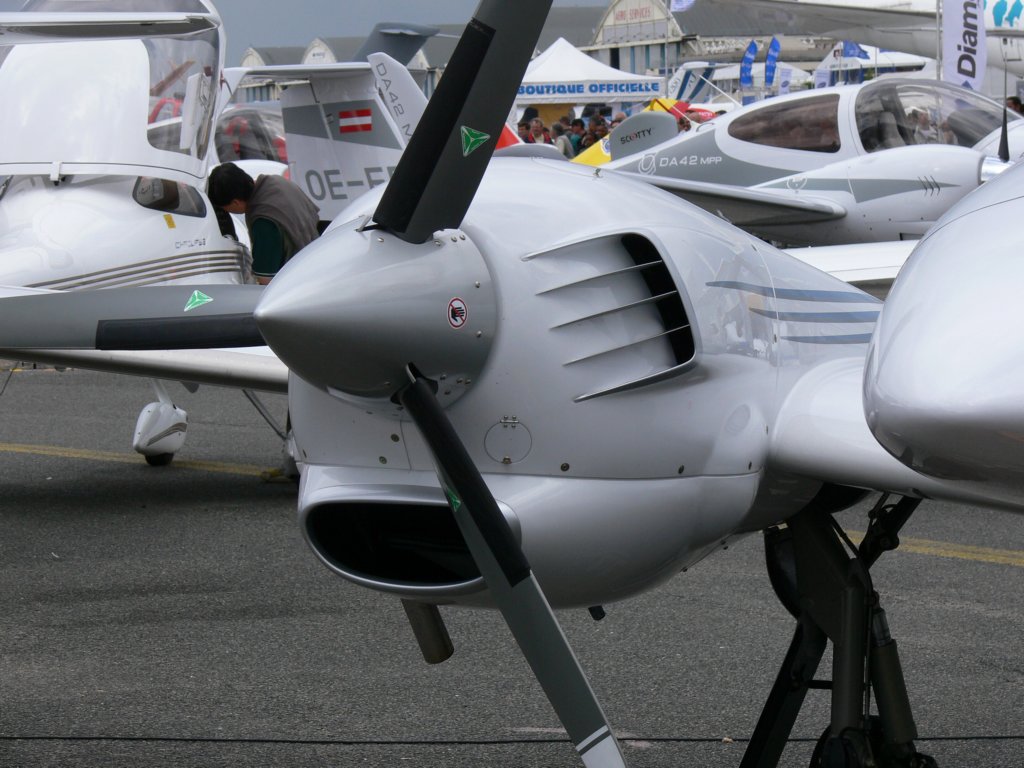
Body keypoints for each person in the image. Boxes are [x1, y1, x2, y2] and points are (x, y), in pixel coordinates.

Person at [208, 162, 321, 285]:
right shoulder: (279, 182)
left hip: (301, 282)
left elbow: (265, 280)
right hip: (318, 259)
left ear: (235, 202)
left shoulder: (263, 221)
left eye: (225, 208)